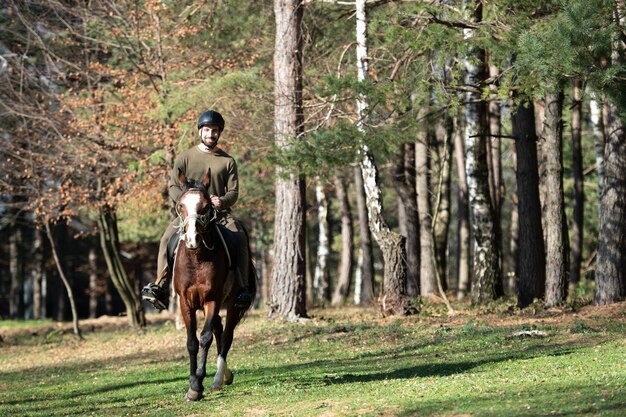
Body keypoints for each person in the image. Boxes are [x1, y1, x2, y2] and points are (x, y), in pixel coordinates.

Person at [141, 109, 252, 310]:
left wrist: (222, 201)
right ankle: (159, 286)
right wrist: (185, 202)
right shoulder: (185, 157)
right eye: (208, 130)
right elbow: (173, 186)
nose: (211, 134)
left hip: (219, 216)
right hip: (190, 214)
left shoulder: (227, 161)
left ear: (219, 133)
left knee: (239, 236)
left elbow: (234, 192)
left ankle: (243, 288)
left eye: (215, 130)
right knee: (166, 238)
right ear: (200, 131)